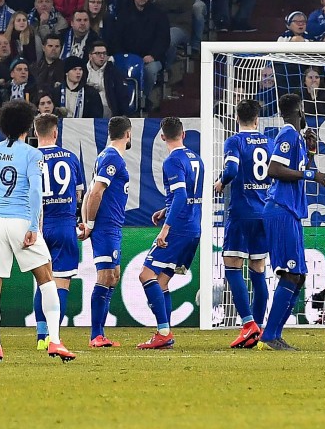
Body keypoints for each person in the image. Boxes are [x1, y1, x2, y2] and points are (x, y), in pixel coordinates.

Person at [0, 100, 75, 364]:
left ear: (3, 126)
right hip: (20, 221)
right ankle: (55, 341)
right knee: (47, 277)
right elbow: (35, 192)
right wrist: (33, 226)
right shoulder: (32, 154)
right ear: (28, 126)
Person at [258, 93, 325, 350]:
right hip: (280, 209)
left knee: (298, 276)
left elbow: (298, 168)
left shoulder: (298, 139)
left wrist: (310, 152)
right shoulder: (288, 134)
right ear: (300, 111)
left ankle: (275, 334)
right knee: (290, 274)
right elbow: (274, 170)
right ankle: (269, 335)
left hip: (290, 212)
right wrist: (311, 173)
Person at [138, 117, 204, 350]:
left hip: (178, 228)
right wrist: (165, 210)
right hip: (194, 227)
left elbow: (181, 196)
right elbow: (191, 196)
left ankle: (163, 332)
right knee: (162, 280)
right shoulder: (197, 159)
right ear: (184, 134)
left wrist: (165, 228)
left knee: (146, 275)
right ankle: (163, 333)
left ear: (163, 137)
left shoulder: (172, 161)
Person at [215, 99, 273, 348]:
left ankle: (248, 323)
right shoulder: (270, 142)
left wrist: (220, 182)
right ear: (257, 119)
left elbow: (231, 170)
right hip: (265, 212)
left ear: (237, 118)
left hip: (241, 212)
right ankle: (258, 328)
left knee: (231, 266)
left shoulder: (235, 141)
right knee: (258, 270)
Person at [33, 114, 86, 351]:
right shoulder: (71, 158)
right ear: (56, 133)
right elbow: (79, 195)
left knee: (42, 282)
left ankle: (41, 336)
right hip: (64, 225)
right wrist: (81, 220)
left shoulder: (30, 158)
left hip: (39, 225)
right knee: (61, 284)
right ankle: (54, 336)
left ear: (36, 133)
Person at [81, 116, 132, 348]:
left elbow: (90, 190)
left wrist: (85, 220)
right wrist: (90, 224)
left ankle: (100, 333)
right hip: (105, 227)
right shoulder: (112, 157)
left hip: (113, 226)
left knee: (114, 276)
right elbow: (95, 194)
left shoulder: (106, 156)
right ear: (128, 134)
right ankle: (96, 335)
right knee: (105, 277)